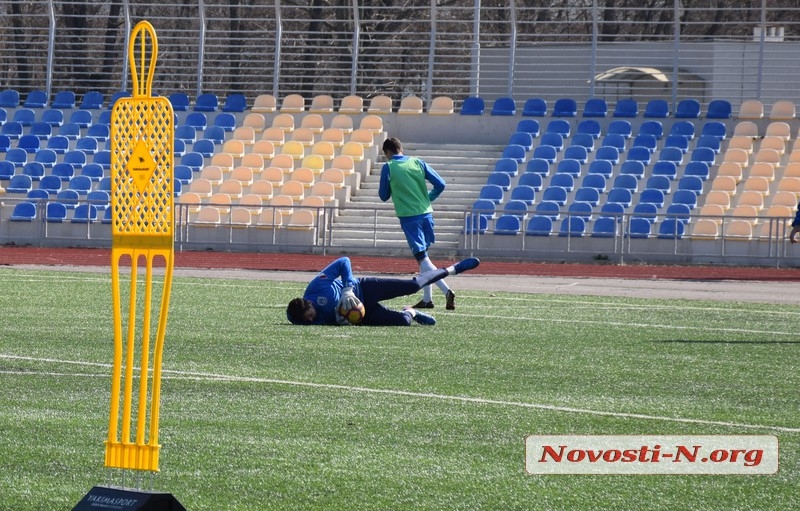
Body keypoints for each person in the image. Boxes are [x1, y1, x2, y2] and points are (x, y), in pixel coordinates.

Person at [286, 256, 480, 326]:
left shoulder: (316, 286)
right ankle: (411, 311)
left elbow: (344, 261)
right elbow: (321, 321)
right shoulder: (306, 320)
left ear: (309, 302)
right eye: (308, 321)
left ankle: (451, 269)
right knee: (404, 322)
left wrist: (347, 290)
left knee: (412, 286)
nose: (313, 319)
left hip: (365, 289)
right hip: (364, 315)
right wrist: (341, 321)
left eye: (310, 315)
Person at [378, 136, 456, 310]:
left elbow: (383, 196)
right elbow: (441, 184)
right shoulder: (418, 162)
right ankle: (427, 299)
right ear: (401, 149)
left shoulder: (389, 167)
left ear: (388, 152)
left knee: (423, 259)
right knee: (424, 259)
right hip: (427, 214)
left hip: (409, 217)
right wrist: (427, 199)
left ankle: (447, 291)